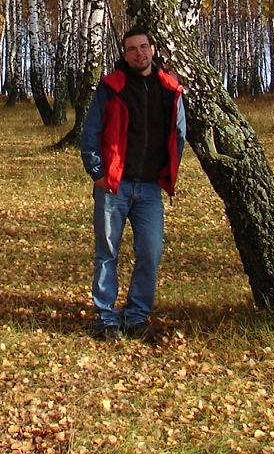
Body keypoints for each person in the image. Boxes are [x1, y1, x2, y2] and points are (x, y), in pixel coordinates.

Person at [80, 27, 186, 341]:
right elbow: (91, 133)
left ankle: (137, 316)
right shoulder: (111, 87)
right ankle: (105, 319)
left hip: (150, 188)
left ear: (153, 50)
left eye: (143, 47)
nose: (139, 53)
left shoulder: (170, 89)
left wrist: (168, 173)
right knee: (107, 252)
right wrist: (97, 171)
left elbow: (178, 135)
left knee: (151, 252)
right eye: (132, 49)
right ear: (124, 54)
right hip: (114, 185)